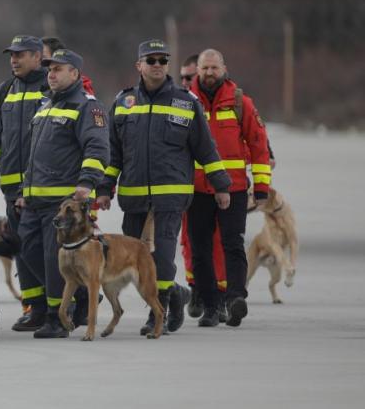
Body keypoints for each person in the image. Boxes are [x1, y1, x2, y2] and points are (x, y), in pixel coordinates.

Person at [97, 39, 232, 336]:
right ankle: (176, 295)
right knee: (133, 259)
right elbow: (113, 153)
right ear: (139, 65)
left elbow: (206, 149)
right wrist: (104, 188)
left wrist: (222, 186)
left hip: (170, 198)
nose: (157, 65)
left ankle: (156, 313)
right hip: (133, 198)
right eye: (151, 60)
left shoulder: (186, 102)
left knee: (159, 256)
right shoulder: (123, 102)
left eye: (162, 60)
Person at [15, 49, 109, 338]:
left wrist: (87, 182)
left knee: (51, 259)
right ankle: (80, 297)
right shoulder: (45, 105)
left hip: (64, 201)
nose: (51, 74)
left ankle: (58, 318)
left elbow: (97, 148)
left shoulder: (87, 107)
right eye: (49, 69)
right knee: (28, 252)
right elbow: (35, 156)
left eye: (58, 69)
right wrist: (24, 190)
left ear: (75, 74)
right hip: (35, 199)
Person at [187, 49, 271, 328]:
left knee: (232, 244)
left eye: (214, 67)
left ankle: (235, 298)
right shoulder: (186, 102)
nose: (209, 73)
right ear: (197, 70)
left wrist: (261, 188)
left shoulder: (239, 103)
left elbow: (259, 145)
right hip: (197, 190)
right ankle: (211, 305)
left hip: (233, 188)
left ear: (224, 68)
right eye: (205, 68)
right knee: (200, 249)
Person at [0, 35, 49, 331]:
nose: (14, 60)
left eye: (21, 54)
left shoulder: (51, 88)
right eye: (12, 55)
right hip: (11, 188)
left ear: (38, 56)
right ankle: (34, 308)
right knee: (21, 250)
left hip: (44, 189)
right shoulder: (4, 91)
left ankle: (64, 302)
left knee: (46, 251)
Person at [177, 52, 228, 316]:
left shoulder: (233, 102)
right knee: (190, 243)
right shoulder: (180, 103)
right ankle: (196, 287)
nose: (186, 81)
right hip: (190, 187)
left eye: (190, 77)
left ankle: (219, 294)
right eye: (183, 77)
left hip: (223, 187)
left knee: (222, 242)